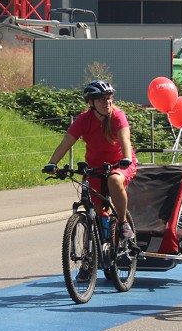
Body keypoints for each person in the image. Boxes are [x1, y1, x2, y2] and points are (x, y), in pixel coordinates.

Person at [43, 81, 137, 241]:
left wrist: (126, 158)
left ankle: (122, 223)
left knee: (114, 180)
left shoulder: (117, 115)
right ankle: (98, 245)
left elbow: (125, 138)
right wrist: (52, 163)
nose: (107, 102)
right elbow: (66, 142)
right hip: (95, 167)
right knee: (97, 208)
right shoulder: (84, 119)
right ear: (91, 102)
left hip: (120, 164)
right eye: (102, 99)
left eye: (109, 98)